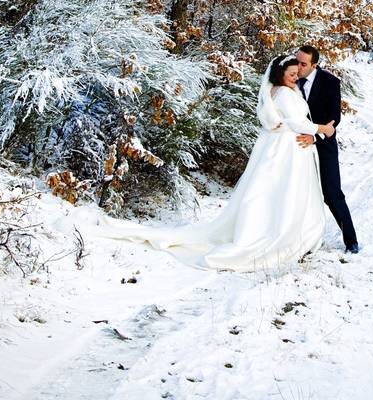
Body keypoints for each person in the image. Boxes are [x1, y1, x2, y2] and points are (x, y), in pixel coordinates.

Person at [92, 55, 336, 271]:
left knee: (276, 192)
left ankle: (283, 229)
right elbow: (296, 121)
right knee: (280, 192)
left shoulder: (284, 90)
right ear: (279, 74)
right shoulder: (282, 93)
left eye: (297, 73)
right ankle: (273, 233)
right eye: (291, 74)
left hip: (288, 148)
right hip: (285, 151)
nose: (296, 77)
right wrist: (322, 129)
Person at [295, 45, 359, 254]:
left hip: (323, 143)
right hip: (296, 145)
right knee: (298, 193)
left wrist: (314, 135)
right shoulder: (289, 79)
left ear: (314, 65)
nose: (298, 66)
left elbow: (335, 118)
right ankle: (299, 242)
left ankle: (351, 240)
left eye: (303, 64)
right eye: (297, 61)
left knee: (332, 193)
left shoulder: (331, 82)